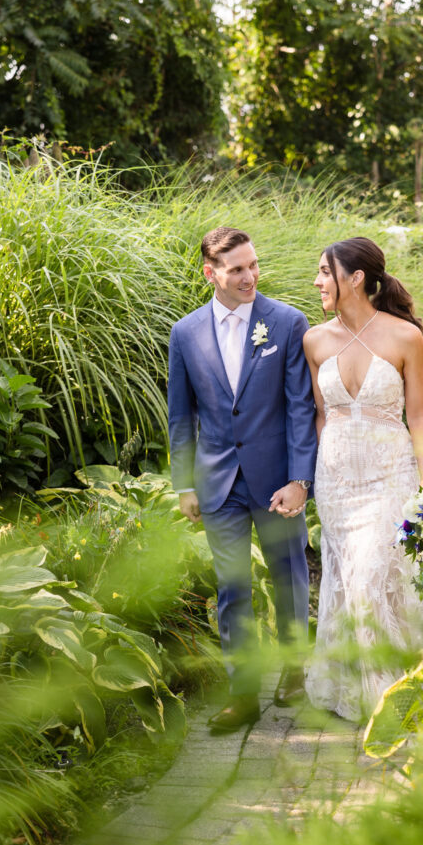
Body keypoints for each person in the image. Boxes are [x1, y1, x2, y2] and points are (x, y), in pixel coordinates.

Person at [168, 227, 317, 732]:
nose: (250, 276)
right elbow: (181, 416)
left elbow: (301, 407)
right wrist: (184, 484)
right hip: (218, 483)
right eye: (237, 269)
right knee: (232, 588)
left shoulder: (287, 322)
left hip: (276, 479)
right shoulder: (184, 333)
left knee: (289, 577)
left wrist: (301, 479)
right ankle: (243, 693)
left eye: (253, 265)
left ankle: (296, 669)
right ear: (211, 274)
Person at [302, 236, 423, 723]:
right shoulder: (315, 339)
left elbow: (417, 416)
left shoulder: (404, 337)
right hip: (337, 482)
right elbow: (320, 415)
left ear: (355, 278)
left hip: (389, 477)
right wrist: (320, 471)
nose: (317, 282)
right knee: (345, 577)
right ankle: (354, 684)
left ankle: (388, 694)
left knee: (367, 580)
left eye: (323, 272)